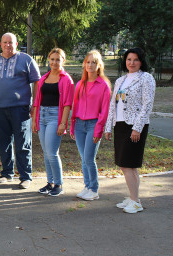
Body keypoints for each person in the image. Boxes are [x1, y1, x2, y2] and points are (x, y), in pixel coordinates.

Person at [0, 32, 41, 189]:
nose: (8, 45)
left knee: (22, 142)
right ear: (0, 44)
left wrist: (35, 105)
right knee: (3, 142)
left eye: (11, 42)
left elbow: (37, 83)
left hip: (20, 109)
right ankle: (7, 173)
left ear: (16, 44)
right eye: (5, 42)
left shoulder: (26, 60)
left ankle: (25, 176)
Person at [104, 48, 155, 214]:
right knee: (125, 164)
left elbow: (147, 104)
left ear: (141, 62)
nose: (131, 63)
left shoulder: (146, 78)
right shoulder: (120, 80)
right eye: (128, 59)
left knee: (129, 164)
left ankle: (135, 201)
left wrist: (137, 128)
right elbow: (113, 104)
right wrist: (109, 126)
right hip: (120, 125)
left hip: (134, 126)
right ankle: (133, 197)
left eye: (135, 60)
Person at [32, 48, 74, 196]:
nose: (55, 62)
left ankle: (58, 184)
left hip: (56, 116)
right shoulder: (44, 78)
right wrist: (34, 120)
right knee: (45, 152)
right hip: (42, 115)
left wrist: (63, 124)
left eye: (58, 59)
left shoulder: (66, 79)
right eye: (52, 59)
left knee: (52, 152)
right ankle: (50, 183)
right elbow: (37, 101)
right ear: (48, 60)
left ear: (63, 60)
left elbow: (68, 104)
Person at [70, 50, 111, 201]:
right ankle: (87, 186)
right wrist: (73, 125)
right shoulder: (80, 84)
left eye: (94, 62)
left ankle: (94, 189)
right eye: (88, 62)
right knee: (83, 158)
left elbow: (105, 110)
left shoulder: (104, 85)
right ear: (84, 64)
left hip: (94, 124)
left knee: (89, 158)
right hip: (80, 124)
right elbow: (76, 106)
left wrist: (99, 130)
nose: (90, 65)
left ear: (99, 65)